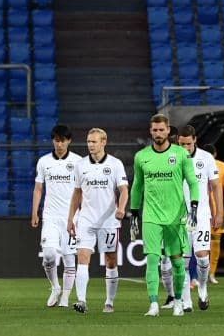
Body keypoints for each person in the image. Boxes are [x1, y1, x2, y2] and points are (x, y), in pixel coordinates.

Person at [129, 114, 199, 317]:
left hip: (176, 216)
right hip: (151, 216)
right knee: (153, 259)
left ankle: (178, 301)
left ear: (168, 130)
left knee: (177, 263)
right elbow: (137, 186)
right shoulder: (141, 156)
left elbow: (193, 183)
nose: (158, 133)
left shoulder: (180, 154)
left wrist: (193, 208)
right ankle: (153, 304)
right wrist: (134, 214)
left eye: (162, 130)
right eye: (154, 130)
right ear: (150, 132)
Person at [67, 128, 129, 313]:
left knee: (110, 260)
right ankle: (81, 301)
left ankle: (109, 302)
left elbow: (124, 190)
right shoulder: (80, 165)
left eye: (94, 142)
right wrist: (71, 218)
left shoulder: (115, 164)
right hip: (86, 220)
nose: (90, 145)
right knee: (82, 257)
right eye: (88, 141)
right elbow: (77, 192)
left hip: (109, 221)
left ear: (104, 142)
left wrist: (121, 209)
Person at [31, 124, 82, 308]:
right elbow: (38, 188)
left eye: (62, 141)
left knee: (69, 258)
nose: (59, 144)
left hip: (71, 218)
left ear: (69, 141)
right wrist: (34, 212)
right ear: (53, 141)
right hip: (50, 216)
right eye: (56, 140)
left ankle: (66, 297)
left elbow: (82, 191)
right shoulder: (44, 161)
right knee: (49, 255)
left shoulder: (78, 162)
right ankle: (55, 287)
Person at [176, 126, 223, 311]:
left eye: (188, 144)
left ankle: (202, 287)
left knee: (202, 258)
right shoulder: (172, 158)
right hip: (179, 216)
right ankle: (187, 301)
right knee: (183, 260)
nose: (185, 147)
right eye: (181, 144)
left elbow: (216, 186)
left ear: (194, 140)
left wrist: (219, 212)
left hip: (201, 215)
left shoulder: (206, 158)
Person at [203, 143, 224, 284]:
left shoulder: (222, 167)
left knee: (210, 244)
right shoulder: (222, 166)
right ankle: (207, 273)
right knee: (208, 244)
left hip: (211, 212)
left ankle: (209, 273)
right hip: (206, 211)